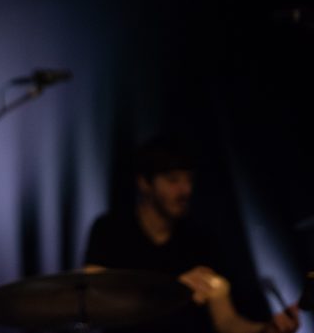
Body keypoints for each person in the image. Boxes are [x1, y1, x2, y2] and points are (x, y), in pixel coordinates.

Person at [82, 134, 300, 333]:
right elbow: (90, 295)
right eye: (173, 180)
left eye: (189, 180)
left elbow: (226, 321)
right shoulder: (110, 229)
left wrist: (265, 329)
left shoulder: (199, 239)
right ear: (144, 183)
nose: (185, 190)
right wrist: (172, 290)